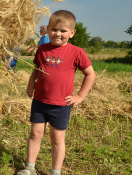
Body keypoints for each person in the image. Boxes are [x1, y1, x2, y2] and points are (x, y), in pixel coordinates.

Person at [18, 10, 96, 175]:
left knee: (57, 139)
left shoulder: (77, 52)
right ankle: (30, 168)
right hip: (39, 101)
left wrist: (80, 96)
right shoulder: (42, 49)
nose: (58, 34)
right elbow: (37, 68)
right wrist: (31, 83)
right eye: (54, 29)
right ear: (48, 29)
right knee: (35, 133)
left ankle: (56, 171)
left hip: (61, 104)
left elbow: (90, 74)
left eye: (63, 31)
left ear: (72, 33)